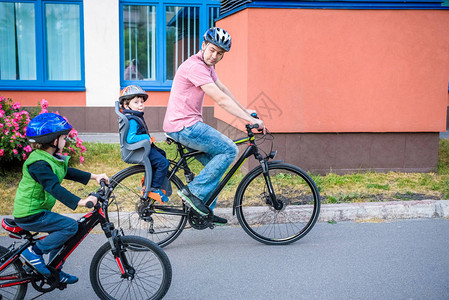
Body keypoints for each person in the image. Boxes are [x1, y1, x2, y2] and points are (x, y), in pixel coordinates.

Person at [163, 27, 265, 225]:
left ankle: (205, 212)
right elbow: (219, 98)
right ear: (203, 45)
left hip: (182, 125)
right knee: (229, 150)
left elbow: (223, 89)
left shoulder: (207, 66)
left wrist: (245, 111)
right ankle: (193, 193)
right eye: (212, 50)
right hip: (185, 126)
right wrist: (250, 121)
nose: (215, 56)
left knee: (216, 165)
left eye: (220, 53)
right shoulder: (195, 67)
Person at [13, 113, 109, 284]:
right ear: (53, 140)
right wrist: (80, 201)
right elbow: (54, 188)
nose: (66, 141)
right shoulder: (38, 164)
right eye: (64, 138)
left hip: (38, 211)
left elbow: (67, 172)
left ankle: (53, 270)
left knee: (63, 232)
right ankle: (34, 253)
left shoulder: (49, 158)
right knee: (70, 226)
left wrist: (95, 176)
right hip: (30, 214)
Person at [119, 85, 170, 203]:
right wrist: (146, 137)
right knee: (163, 163)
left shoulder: (135, 116)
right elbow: (131, 138)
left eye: (142, 101)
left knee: (162, 153)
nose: (140, 104)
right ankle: (154, 188)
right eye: (136, 102)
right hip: (140, 150)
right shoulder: (132, 120)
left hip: (143, 148)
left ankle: (149, 180)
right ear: (126, 105)